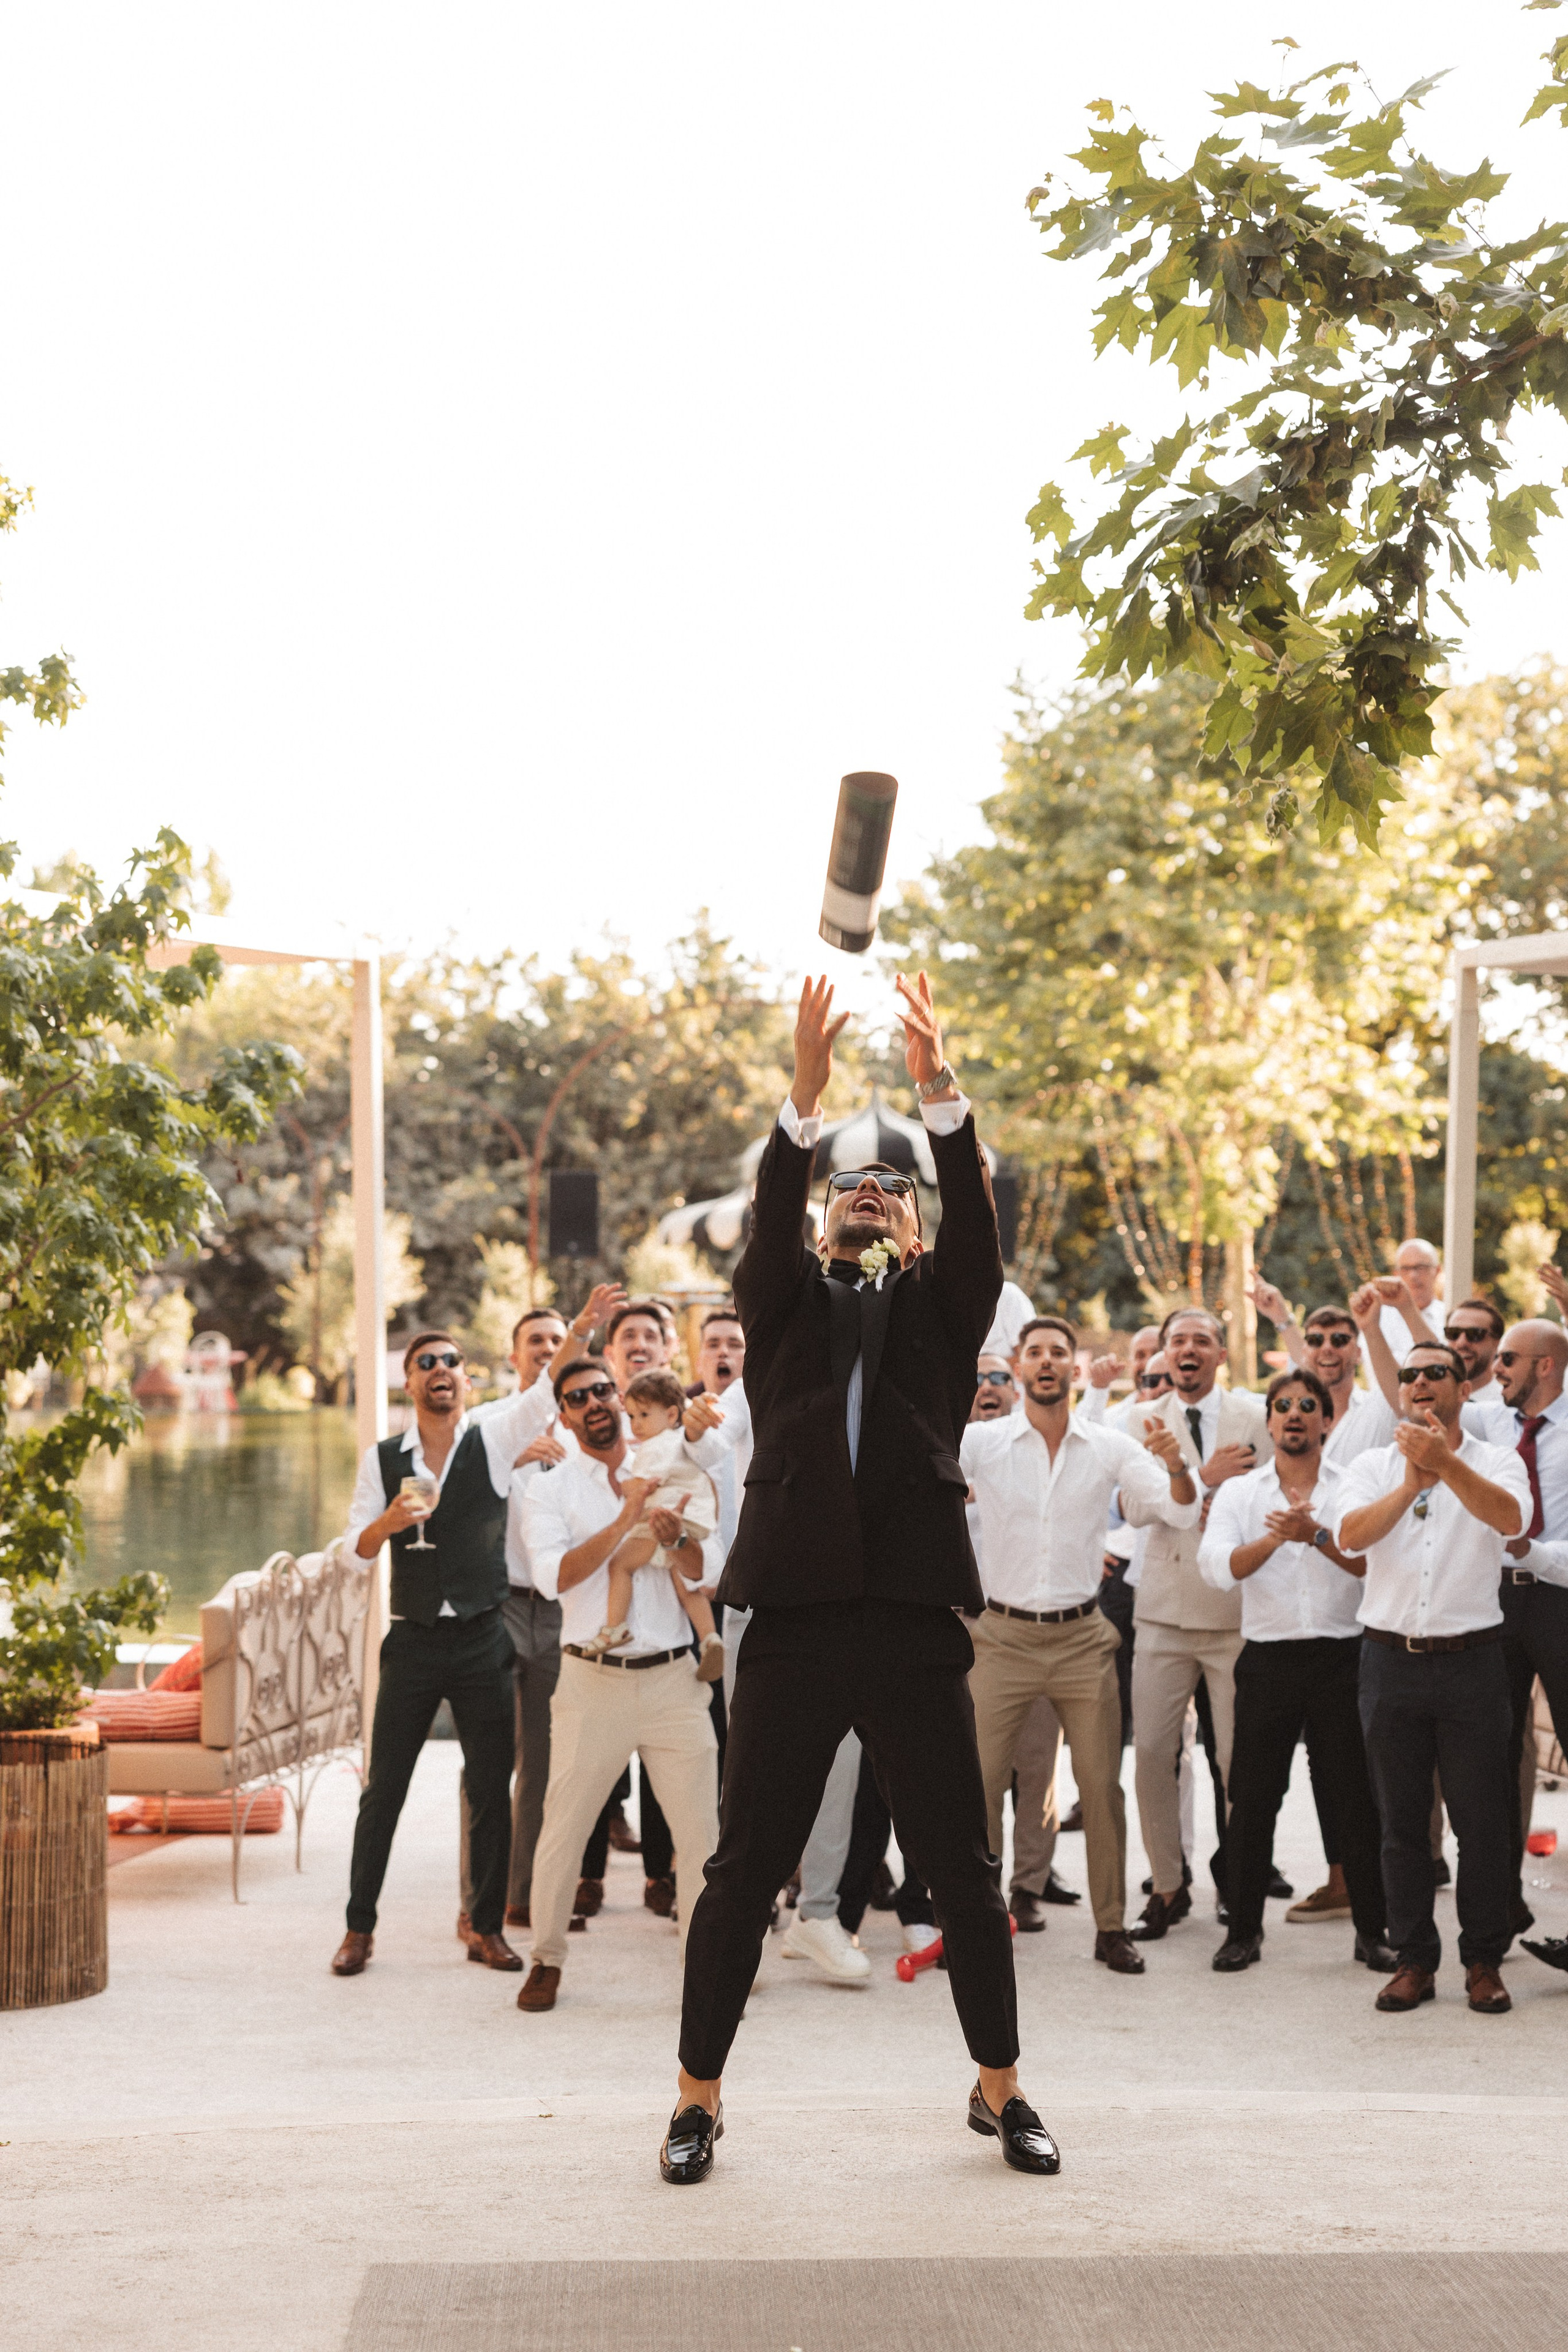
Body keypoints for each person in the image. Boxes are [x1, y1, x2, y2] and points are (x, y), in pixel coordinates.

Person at [663, 973, 1058, 2188]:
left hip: (904, 1621)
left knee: (963, 1874)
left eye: (888, 1188)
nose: (869, 1196)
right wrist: (802, 1095)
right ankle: (695, 2102)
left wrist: (941, 1093)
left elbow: (980, 1245)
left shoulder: (947, 1315)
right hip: (787, 1619)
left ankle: (999, 2091)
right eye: (852, 1187)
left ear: (913, 1219)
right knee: (739, 1877)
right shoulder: (776, 1309)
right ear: (823, 1214)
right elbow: (773, 1213)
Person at [963, 1316, 1199, 1976]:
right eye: (1034, 1352)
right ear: (1017, 1366)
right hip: (1000, 1637)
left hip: (1081, 1640)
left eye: (1057, 1354)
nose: (1045, 1363)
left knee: (1100, 1787)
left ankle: (1110, 1927)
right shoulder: (981, 1442)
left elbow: (1177, 1509)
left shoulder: (1109, 1445)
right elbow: (922, 1480)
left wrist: (1178, 1466)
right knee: (977, 1788)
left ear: (1074, 1368)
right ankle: (975, 1927)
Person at [331, 1330, 562, 1977]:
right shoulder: (383, 1459)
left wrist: (585, 1324)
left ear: (468, 1381)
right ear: (408, 1383)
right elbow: (354, 1550)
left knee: (492, 1787)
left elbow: (546, 1389)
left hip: (483, 1637)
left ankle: (485, 1927)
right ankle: (358, 1928)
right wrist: (388, 1525)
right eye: (425, 1362)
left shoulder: (492, 1447)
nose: (440, 1370)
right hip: (411, 1641)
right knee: (384, 1792)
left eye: (451, 1362)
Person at [514, 1355, 723, 2014]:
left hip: (673, 1679)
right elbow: (557, 1577)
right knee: (565, 1829)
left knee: (702, 1838)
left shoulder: (668, 1462)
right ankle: (546, 1958)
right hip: (591, 1681)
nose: (596, 1402)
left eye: (604, 1389)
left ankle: (707, 1967)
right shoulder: (546, 1489)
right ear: (565, 1414)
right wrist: (624, 1516)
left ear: (623, 1396)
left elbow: (704, 1569)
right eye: (578, 1398)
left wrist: (672, 1536)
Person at [1336, 1341, 1531, 2015]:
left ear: (1461, 1387)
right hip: (1390, 1662)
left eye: (1434, 1373)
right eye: (1408, 1374)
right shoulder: (1368, 1466)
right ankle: (1414, 1959)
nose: (1418, 1382)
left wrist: (1445, 1466)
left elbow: (1511, 1521)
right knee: (1400, 1824)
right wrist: (1409, 1486)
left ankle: (1484, 1960)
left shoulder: (1496, 1459)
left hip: (1473, 1664)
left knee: (1482, 1824)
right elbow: (1349, 1538)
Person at [1198, 1368, 1394, 1975]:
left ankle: (1371, 1932)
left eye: (1307, 1405)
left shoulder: (1351, 1486)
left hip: (1341, 1657)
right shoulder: (1240, 1494)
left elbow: (1373, 1567)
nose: (1293, 1414)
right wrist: (1277, 1541)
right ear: (1269, 1419)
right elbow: (1217, 1570)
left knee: (1353, 1800)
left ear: (1326, 1419)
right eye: (1281, 1405)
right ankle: (1243, 1931)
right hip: (1269, 1660)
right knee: (1252, 1799)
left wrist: (1314, 1536)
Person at [1128, 1309, 1270, 1939]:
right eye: (1177, 1341)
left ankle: (1239, 1888)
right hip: (1161, 1610)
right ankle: (1166, 1885)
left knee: (1237, 1763)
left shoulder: (1257, 1417)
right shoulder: (1137, 1422)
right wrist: (1199, 1480)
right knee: (1155, 1755)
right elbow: (1134, 1508)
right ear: (1163, 1355)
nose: (1188, 1349)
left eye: (1201, 1341)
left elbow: (1278, 1492)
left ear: (1220, 1353)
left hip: (1236, 1613)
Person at [456, 1305, 567, 1940]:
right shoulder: (486, 1425)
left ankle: (520, 1894)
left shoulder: (585, 1429)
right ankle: (477, 1901)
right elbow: (457, 1505)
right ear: (514, 1353)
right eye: (536, 1342)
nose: (547, 1350)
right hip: (498, 1606)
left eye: (557, 1340)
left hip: (557, 1611)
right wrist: (513, 1458)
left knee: (544, 1763)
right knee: (486, 1761)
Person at [1463, 1319, 1568, 1946]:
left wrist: (1532, 1553)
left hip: (1561, 1599)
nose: (1493, 1367)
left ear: (1546, 1367)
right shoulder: (1486, 1422)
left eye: (1506, 1358)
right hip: (1494, 1607)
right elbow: (1425, 1395)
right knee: (1489, 1760)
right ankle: (1499, 1912)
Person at [583, 1368, 723, 1681]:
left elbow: (644, 1486)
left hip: (666, 1517)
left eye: (644, 1414)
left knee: (619, 1565)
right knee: (684, 1582)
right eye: (631, 1416)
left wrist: (626, 1488)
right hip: (696, 1519)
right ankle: (710, 1637)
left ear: (673, 1413)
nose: (636, 1424)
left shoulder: (657, 1445)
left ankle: (614, 1629)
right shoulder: (683, 1443)